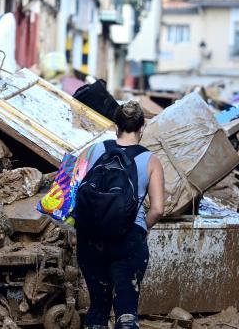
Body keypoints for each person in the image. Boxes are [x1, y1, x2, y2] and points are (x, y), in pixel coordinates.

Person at [76, 101, 165, 329]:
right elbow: (157, 209)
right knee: (126, 311)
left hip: (90, 240)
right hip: (128, 241)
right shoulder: (151, 161)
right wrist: (140, 229)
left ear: (116, 126)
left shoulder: (94, 150)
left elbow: (72, 187)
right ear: (141, 128)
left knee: (97, 307)